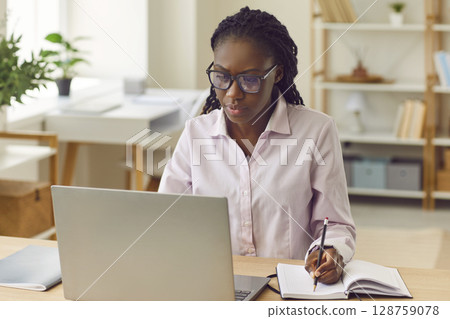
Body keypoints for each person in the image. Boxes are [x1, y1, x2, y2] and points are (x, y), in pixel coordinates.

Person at [159, 6, 356, 285]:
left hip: (289, 286)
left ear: (277, 74)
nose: (232, 93)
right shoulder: (196, 133)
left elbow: (335, 223)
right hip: (214, 284)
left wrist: (331, 251)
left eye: (250, 79)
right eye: (222, 77)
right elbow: (166, 218)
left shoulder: (317, 131)